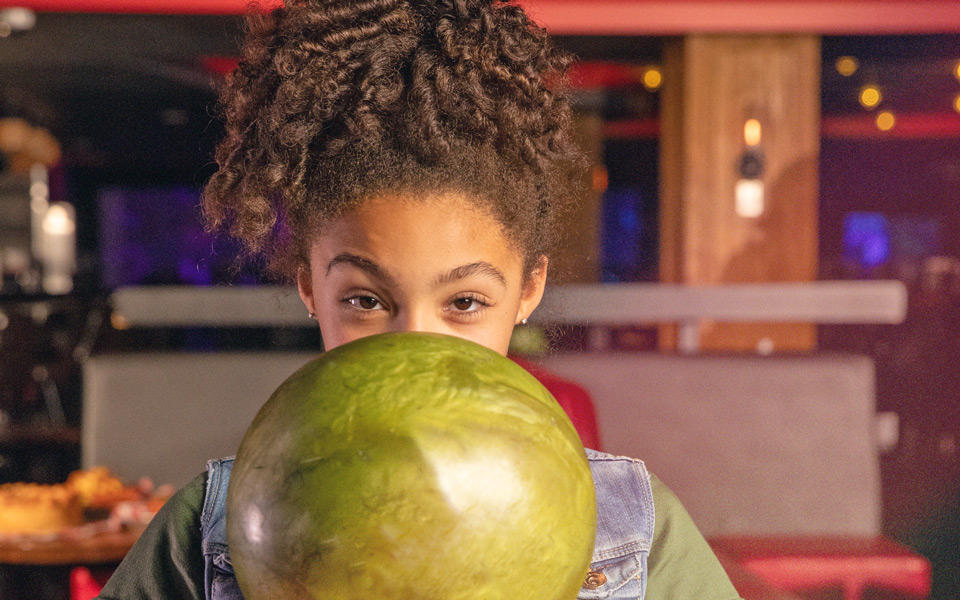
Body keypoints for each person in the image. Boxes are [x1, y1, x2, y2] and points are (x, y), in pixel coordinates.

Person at [97, 1, 742, 599]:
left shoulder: (635, 531)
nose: (415, 347)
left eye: (464, 303)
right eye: (366, 300)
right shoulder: (203, 534)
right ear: (309, 290)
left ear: (528, 290)